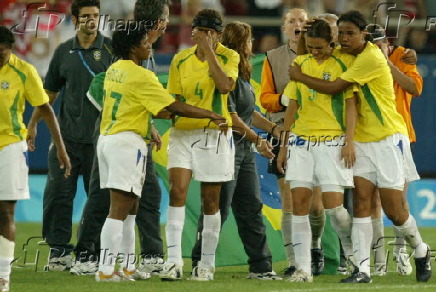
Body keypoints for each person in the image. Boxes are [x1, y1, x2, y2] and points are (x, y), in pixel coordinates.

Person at [289, 10, 431, 284]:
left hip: (388, 137)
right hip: (362, 141)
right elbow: (315, 54)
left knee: (394, 210)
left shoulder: (370, 58)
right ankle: (363, 270)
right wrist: (309, 32)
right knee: (362, 204)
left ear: (364, 34)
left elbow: (334, 87)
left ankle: (421, 250)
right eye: (340, 33)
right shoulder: (345, 54)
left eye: (350, 33)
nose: (343, 38)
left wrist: (298, 76)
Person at [96, 21, 227, 282]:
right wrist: (210, 114)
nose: (150, 47)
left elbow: (148, 107)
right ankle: (106, 270)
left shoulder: (114, 70)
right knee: (118, 208)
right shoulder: (141, 75)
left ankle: (128, 267)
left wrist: (154, 122)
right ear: (133, 48)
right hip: (126, 142)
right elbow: (173, 107)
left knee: (131, 207)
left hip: (108, 138)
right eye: (145, 43)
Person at [71, 0, 171, 277]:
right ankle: (89, 258)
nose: (167, 25)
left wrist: (146, 124)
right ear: (156, 21)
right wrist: (119, 118)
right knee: (110, 197)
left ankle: (131, 263)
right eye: (165, 18)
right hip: (116, 131)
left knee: (141, 195)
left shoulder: (143, 51)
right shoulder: (127, 47)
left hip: (129, 129)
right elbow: (101, 87)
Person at [190, 21, 283, 281]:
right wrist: (257, 139)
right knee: (217, 207)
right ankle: (201, 262)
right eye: (249, 40)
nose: (252, 45)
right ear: (242, 43)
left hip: (243, 150)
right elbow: (230, 115)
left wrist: (273, 131)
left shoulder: (242, 73)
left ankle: (261, 266)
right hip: (224, 147)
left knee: (251, 207)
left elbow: (248, 112)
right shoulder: (224, 70)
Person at [26, 0, 113, 271]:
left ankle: (91, 253)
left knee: (98, 200)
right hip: (66, 141)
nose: (91, 20)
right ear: (74, 20)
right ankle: (59, 252)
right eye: (85, 16)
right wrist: (32, 125)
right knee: (57, 196)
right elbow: (48, 95)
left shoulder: (112, 50)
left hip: (99, 141)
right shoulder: (64, 51)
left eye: (95, 16)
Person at [159, 8, 239, 281]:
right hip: (182, 134)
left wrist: (211, 54)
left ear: (218, 35)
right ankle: (172, 262)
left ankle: (206, 264)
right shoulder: (180, 60)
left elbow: (225, 86)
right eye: (198, 30)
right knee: (177, 192)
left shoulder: (230, 56)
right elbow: (174, 101)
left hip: (214, 136)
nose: (201, 36)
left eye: (208, 32)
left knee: (210, 201)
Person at [276, 19, 357, 283]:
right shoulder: (299, 64)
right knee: (299, 205)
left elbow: (350, 105)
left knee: (335, 208)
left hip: (331, 141)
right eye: (309, 46)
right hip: (301, 141)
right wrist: (284, 147)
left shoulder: (342, 65)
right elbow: (292, 108)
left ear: (330, 43)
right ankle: (303, 269)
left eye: (319, 47)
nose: (314, 51)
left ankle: (354, 260)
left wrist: (349, 141)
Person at [0, 25, 71, 292]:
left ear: (11, 50)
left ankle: (3, 276)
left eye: (2, 54)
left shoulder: (24, 71)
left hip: (9, 146)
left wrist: (61, 148)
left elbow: (46, 109)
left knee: (6, 211)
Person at [260, 8, 325, 276]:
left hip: (317, 133)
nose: (296, 24)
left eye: (301, 20)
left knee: (316, 205)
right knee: (288, 200)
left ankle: (316, 246)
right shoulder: (272, 58)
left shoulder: (323, 54)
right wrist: (283, 101)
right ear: (284, 28)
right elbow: (264, 98)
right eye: (291, 21)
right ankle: (293, 261)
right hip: (283, 132)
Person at [366, 23, 423, 277]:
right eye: (372, 45)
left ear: (387, 44)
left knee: (399, 200)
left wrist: (389, 66)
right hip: (369, 137)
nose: (376, 49)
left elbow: (415, 88)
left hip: (399, 136)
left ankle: (401, 250)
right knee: (372, 202)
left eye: (380, 44)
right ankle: (379, 260)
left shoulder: (402, 56)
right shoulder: (361, 60)